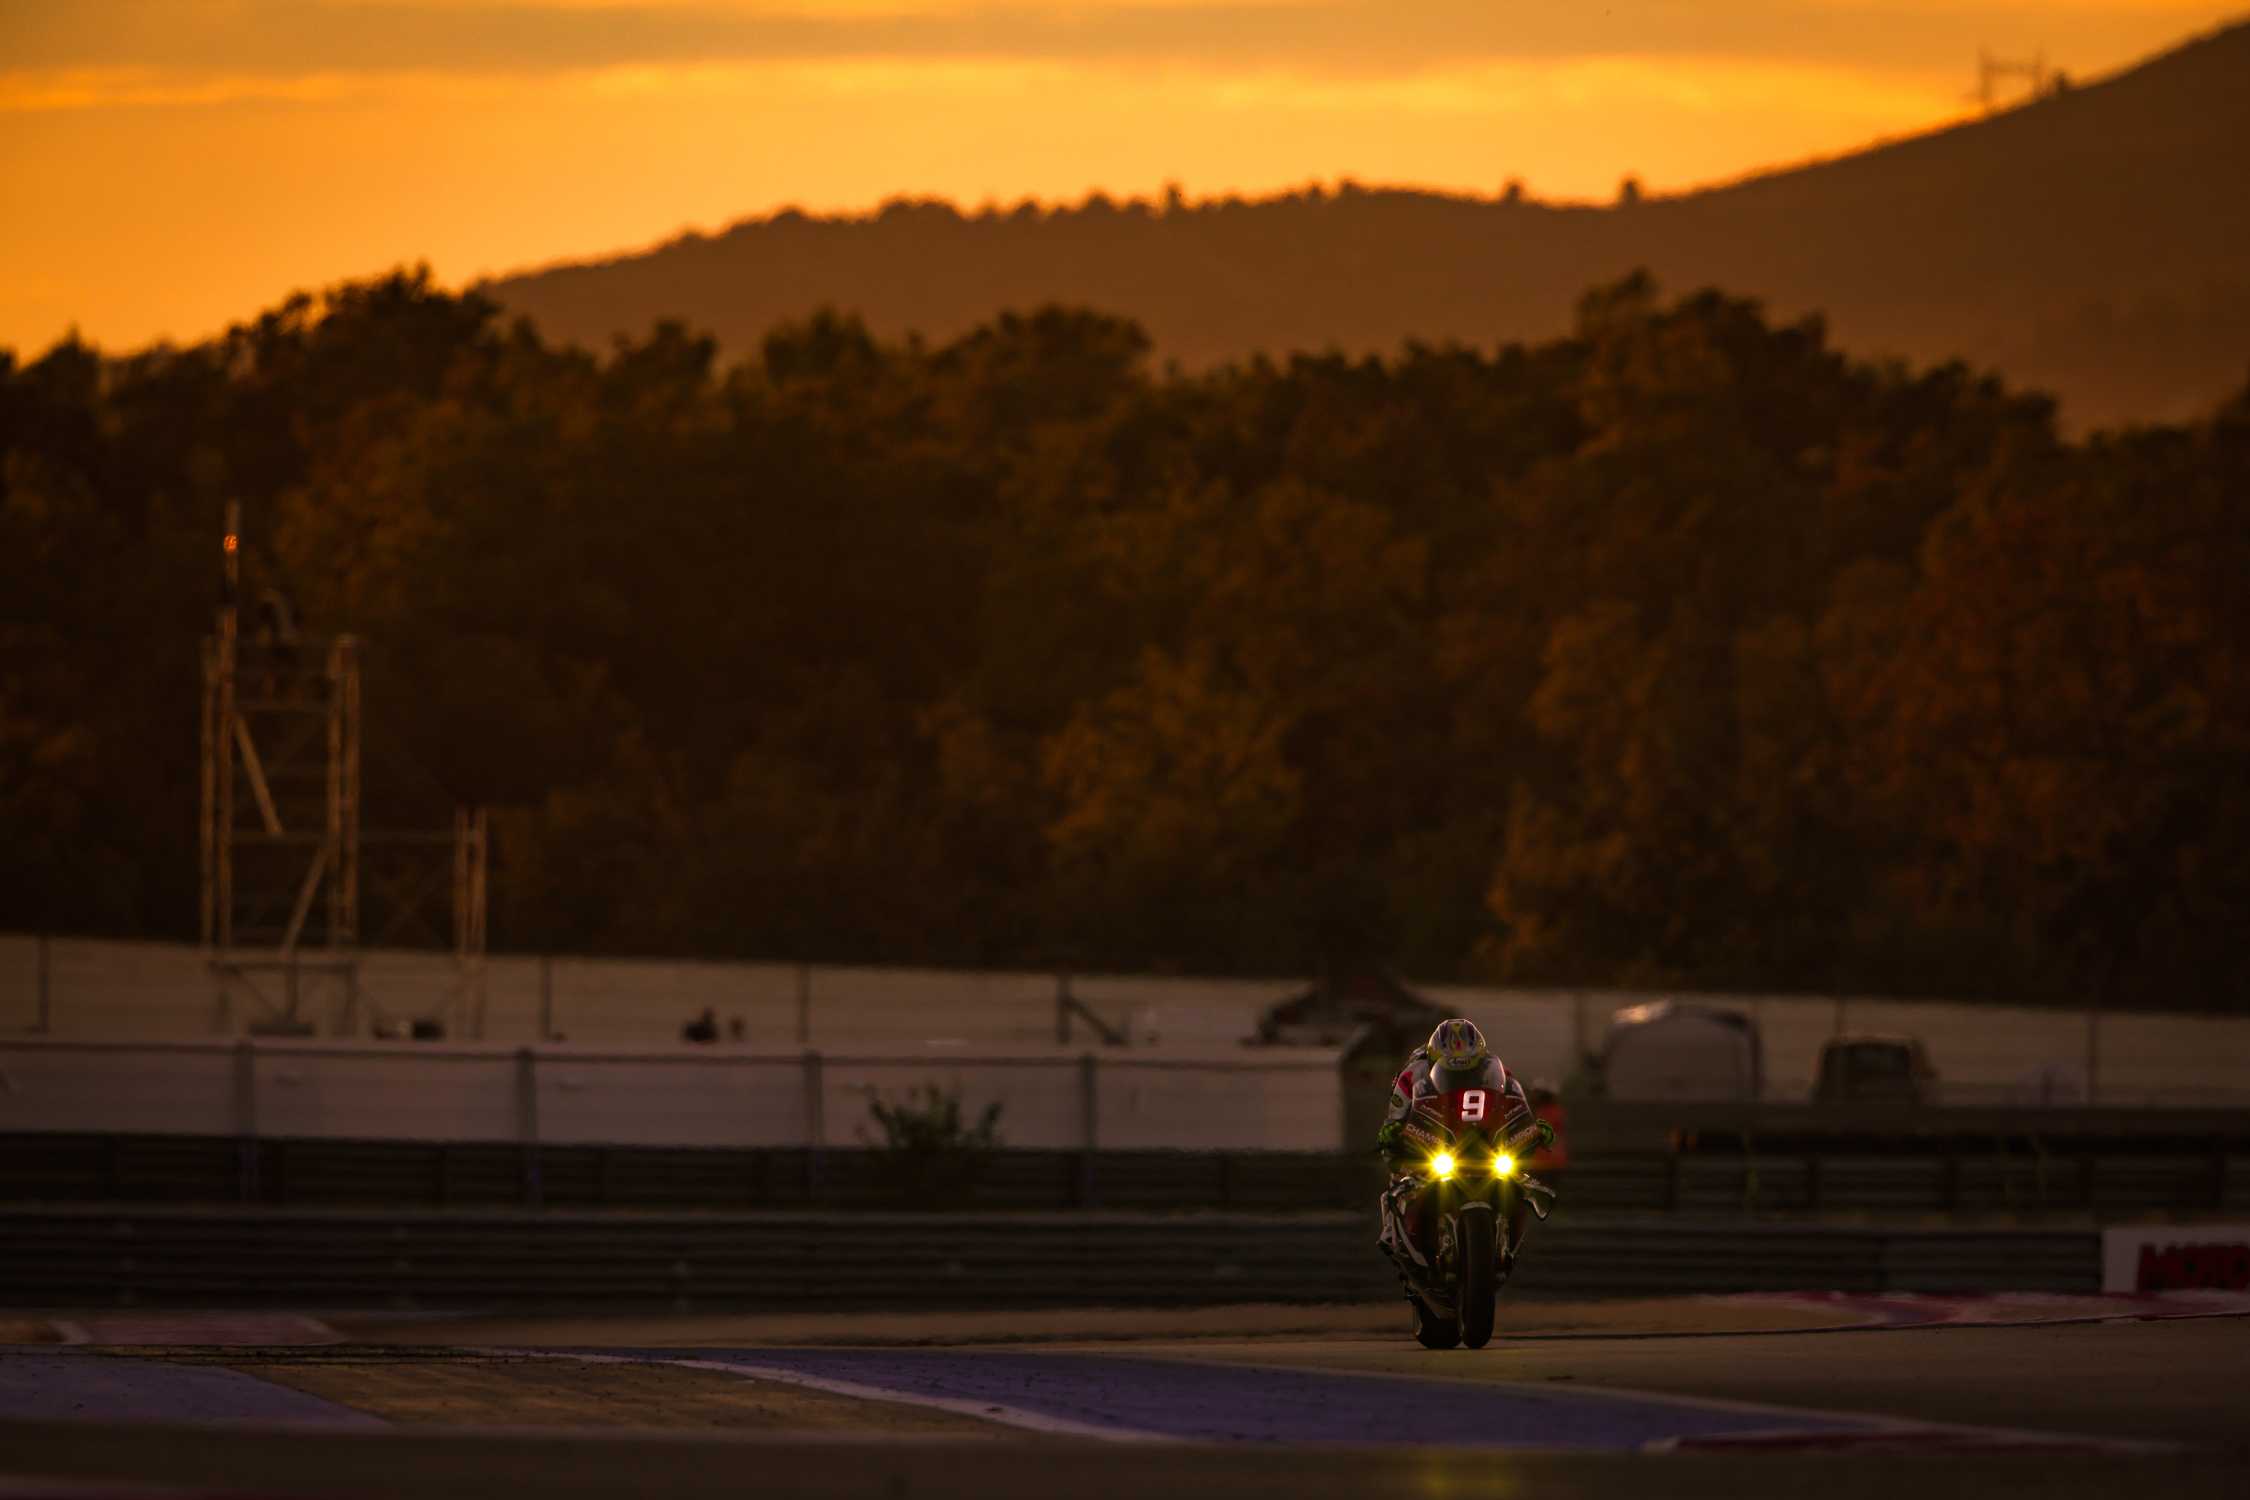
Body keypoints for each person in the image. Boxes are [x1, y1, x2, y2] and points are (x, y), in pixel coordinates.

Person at [1373, 1018, 1550, 1277]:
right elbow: (1395, 1116)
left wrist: (1532, 1128)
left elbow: (1514, 1101)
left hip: (1482, 1144)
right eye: (1453, 1068)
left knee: (1519, 1179)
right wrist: (1392, 1132)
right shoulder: (1412, 1074)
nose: (1463, 1075)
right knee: (1400, 1173)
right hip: (1435, 1139)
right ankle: (1393, 1229)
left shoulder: (1498, 1070)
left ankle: (1504, 1241)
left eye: (1469, 1067)